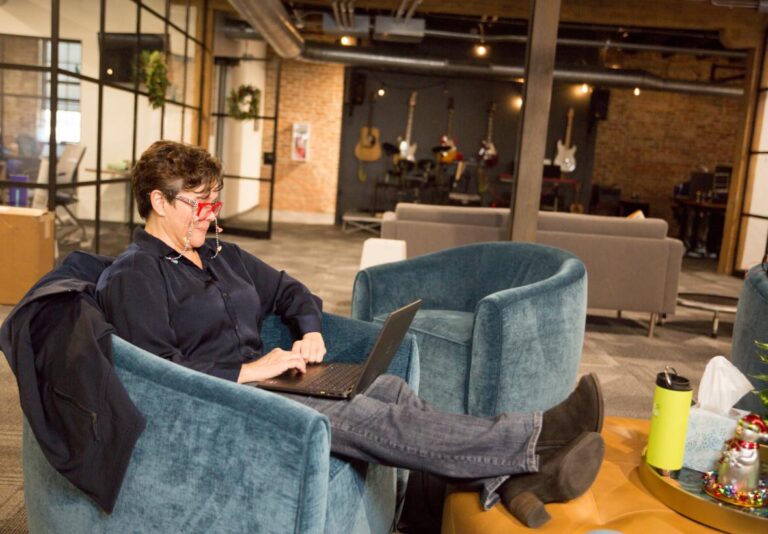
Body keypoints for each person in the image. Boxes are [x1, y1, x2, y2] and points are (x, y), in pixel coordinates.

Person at [96, 140, 605, 528]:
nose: (211, 215)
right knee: (369, 414)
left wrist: (310, 331)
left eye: (215, 202)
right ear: (158, 202)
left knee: (389, 390)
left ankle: (509, 479)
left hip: (272, 383)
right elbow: (157, 375)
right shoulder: (135, 274)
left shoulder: (220, 254)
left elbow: (290, 291)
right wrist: (251, 370)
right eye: (199, 204)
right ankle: (535, 440)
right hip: (229, 404)